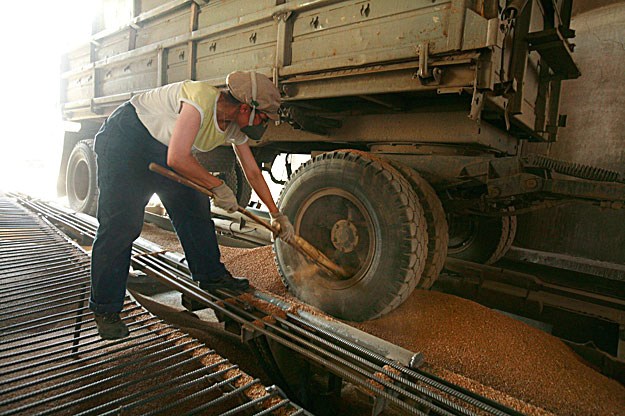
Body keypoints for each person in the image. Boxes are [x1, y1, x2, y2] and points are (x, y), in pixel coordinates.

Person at [90, 71, 295, 340]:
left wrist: (275, 213)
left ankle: (210, 275)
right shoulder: (199, 99)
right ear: (246, 107)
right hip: (125, 141)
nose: (263, 124)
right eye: (263, 118)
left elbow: (252, 172)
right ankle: (106, 309)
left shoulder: (235, 125)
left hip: (165, 148)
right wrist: (217, 186)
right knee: (122, 225)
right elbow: (177, 158)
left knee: (193, 209)